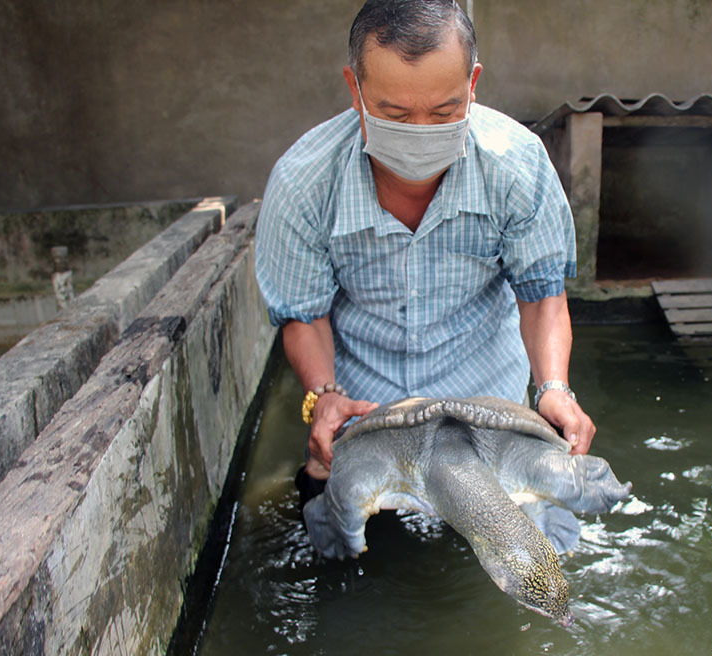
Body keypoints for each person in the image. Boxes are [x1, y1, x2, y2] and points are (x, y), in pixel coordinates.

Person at [254, 0, 596, 499]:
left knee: (517, 554)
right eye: (394, 114)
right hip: (366, 418)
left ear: (473, 85)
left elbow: (542, 294)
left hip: (487, 411)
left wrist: (554, 389)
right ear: (355, 89)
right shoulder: (305, 182)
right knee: (338, 535)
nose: (420, 133)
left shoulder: (517, 166)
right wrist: (323, 395)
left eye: (445, 111)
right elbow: (304, 314)